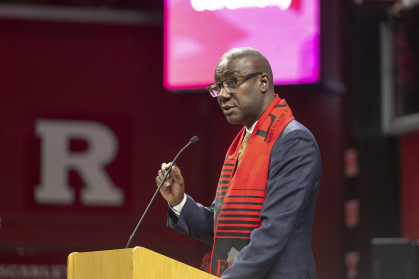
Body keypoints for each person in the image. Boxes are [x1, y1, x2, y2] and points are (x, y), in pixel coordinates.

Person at [156, 48, 321, 279]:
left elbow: (273, 232)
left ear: (263, 82)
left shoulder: (293, 141)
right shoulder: (242, 145)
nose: (223, 95)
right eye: (218, 87)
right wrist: (179, 202)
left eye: (232, 82)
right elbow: (224, 227)